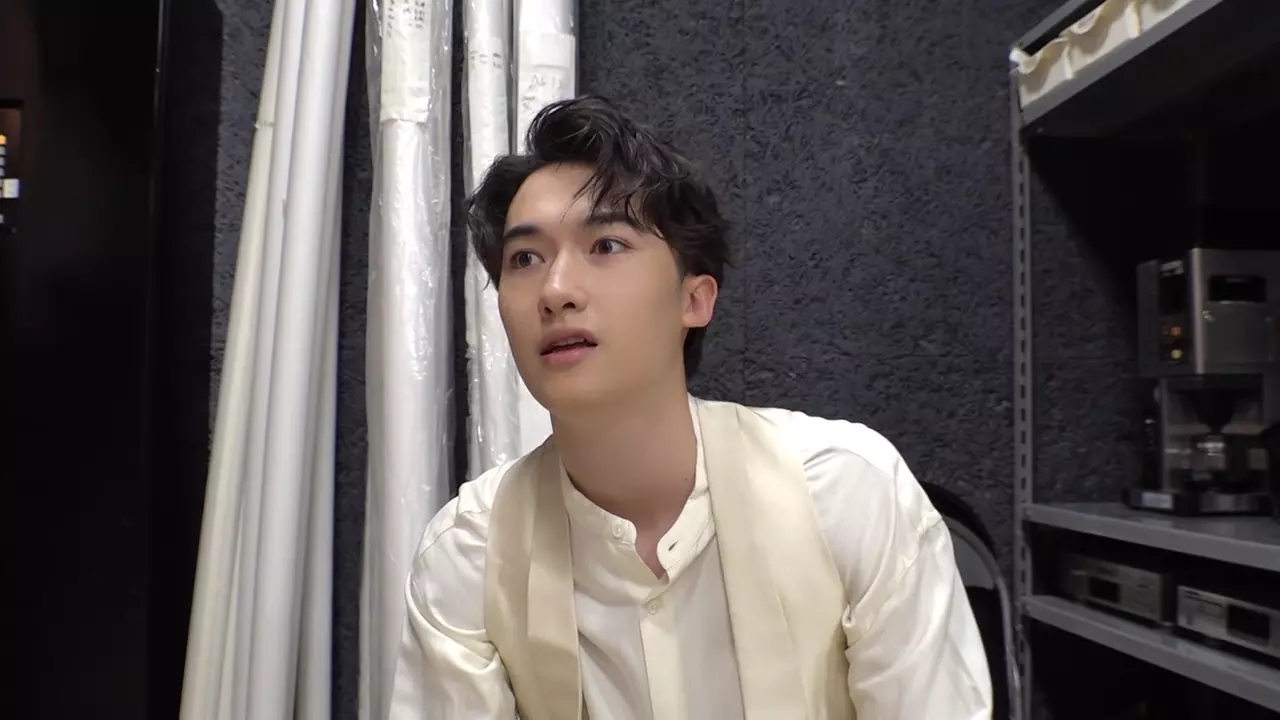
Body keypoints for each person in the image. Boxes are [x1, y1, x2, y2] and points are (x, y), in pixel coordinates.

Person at [389, 95, 993, 720]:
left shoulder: (847, 492)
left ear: (695, 299)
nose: (557, 290)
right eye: (525, 259)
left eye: (607, 244)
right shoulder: (470, 555)